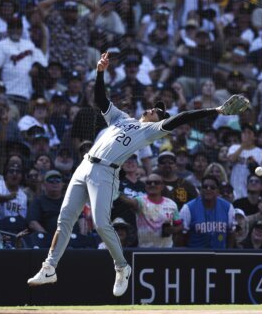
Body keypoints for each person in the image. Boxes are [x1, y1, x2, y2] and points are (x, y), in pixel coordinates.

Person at [27, 53, 248, 295]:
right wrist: (100, 71)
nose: (155, 109)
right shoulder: (122, 118)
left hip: (106, 173)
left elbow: (182, 118)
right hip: (84, 166)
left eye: (159, 111)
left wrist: (214, 109)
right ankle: (49, 267)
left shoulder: (151, 130)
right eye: (156, 108)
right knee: (64, 220)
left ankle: (122, 267)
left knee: (101, 224)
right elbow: (100, 99)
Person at [117, 173, 182, 248]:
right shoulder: (140, 200)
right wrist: (115, 191)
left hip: (166, 249)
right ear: (146, 186)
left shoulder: (171, 204)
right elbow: (128, 201)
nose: (152, 184)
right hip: (144, 250)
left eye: (156, 182)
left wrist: (173, 229)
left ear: (162, 186)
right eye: (149, 183)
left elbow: (179, 225)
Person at [178, 176, 236, 249]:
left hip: (220, 255)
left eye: (212, 187)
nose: (208, 189)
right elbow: (181, 235)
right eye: (205, 187)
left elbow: (231, 233)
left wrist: (227, 253)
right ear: (201, 190)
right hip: (196, 255)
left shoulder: (228, 207)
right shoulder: (188, 208)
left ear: (218, 191)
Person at [27, 170, 65, 235]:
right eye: (51, 181)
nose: (55, 183)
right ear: (44, 185)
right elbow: (32, 223)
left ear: (62, 184)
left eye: (58, 180)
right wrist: (47, 237)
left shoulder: (69, 201)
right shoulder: (37, 201)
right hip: (45, 240)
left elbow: (81, 219)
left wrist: (82, 236)